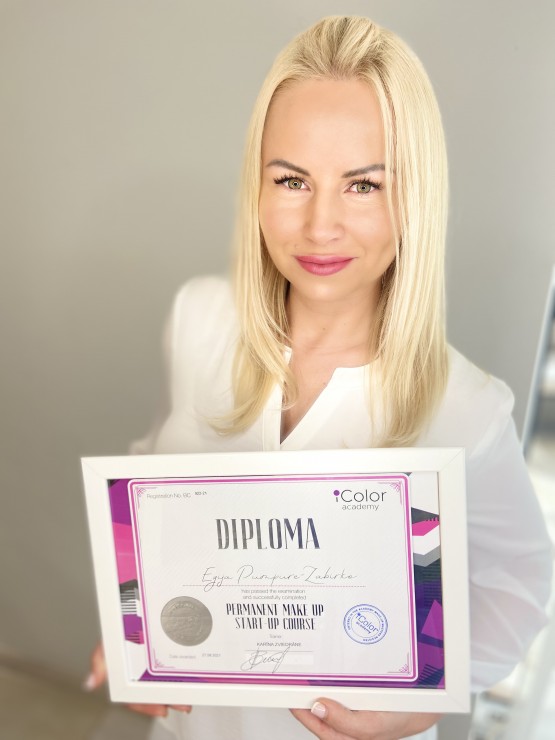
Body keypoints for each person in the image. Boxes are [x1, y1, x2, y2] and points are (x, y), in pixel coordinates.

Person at [87, 15, 552, 740]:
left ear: (415, 196)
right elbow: (156, 484)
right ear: (256, 184)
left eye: (362, 185)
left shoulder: (466, 409)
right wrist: (135, 628)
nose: (319, 226)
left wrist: (428, 700)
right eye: (292, 180)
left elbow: (520, 583)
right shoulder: (199, 319)